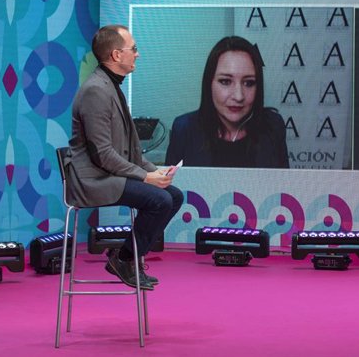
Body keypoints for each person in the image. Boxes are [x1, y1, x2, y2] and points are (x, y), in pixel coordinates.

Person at [66, 25, 183, 290]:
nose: (138, 55)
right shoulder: (96, 91)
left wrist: (155, 171)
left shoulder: (111, 86)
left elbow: (128, 149)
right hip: (93, 179)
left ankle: (125, 257)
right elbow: (103, 154)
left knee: (173, 195)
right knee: (160, 200)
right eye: (134, 49)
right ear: (117, 55)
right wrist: (144, 177)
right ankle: (125, 258)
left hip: (107, 173)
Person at [165, 35, 289, 168]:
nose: (238, 96)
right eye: (225, 81)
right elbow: (169, 186)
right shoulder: (184, 129)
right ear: (209, 83)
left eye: (249, 83)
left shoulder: (273, 126)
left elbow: (284, 184)